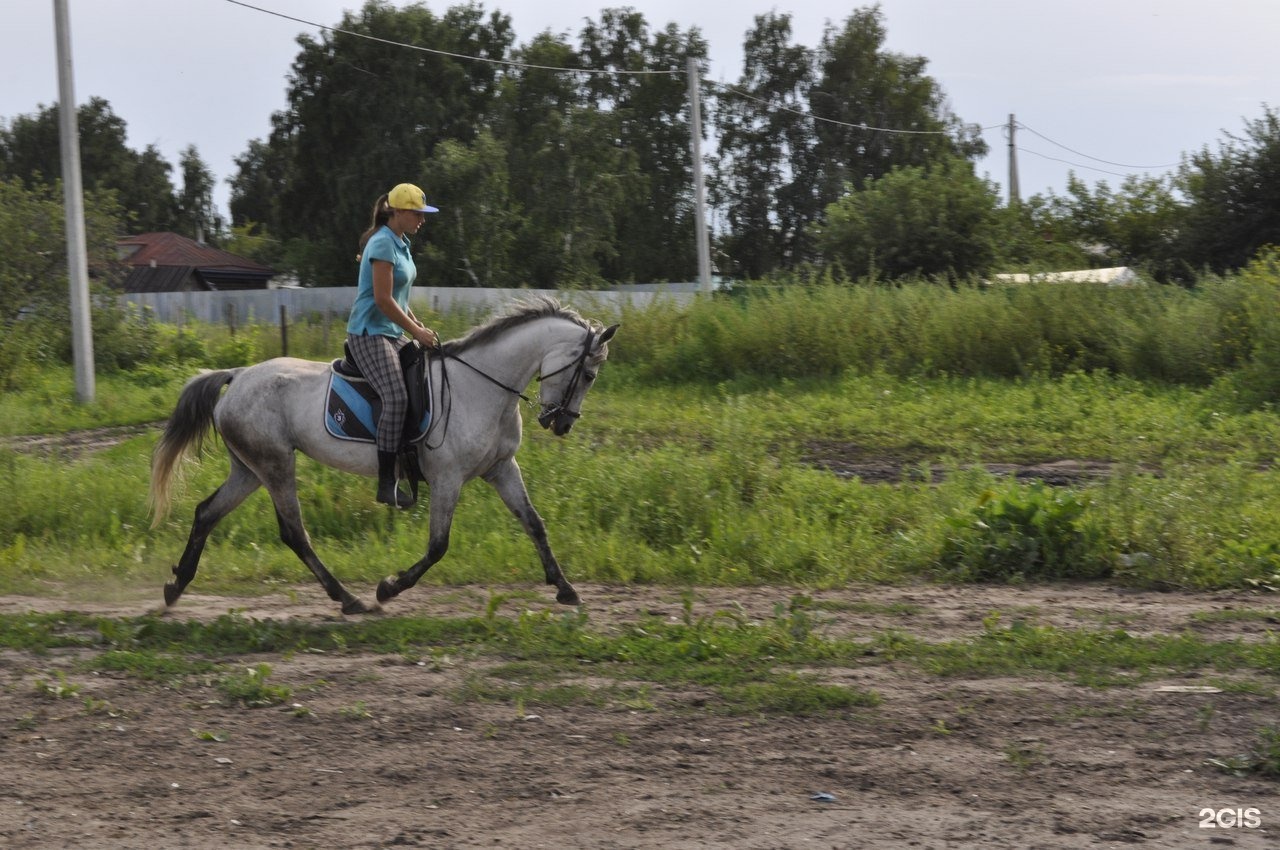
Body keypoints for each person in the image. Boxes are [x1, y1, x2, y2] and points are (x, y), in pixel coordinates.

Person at [346, 182, 440, 508]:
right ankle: (387, 482)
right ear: (398, 212)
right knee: (396, 397)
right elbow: (384, 301)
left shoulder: (402, 243)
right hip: (368, 333)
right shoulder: (383, 244)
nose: (422, 220)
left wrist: (418, 327)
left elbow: (399, 298)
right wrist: (415, 331)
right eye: (417, 213)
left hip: (391, 331)